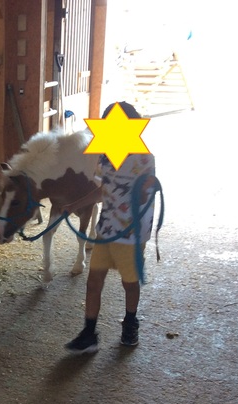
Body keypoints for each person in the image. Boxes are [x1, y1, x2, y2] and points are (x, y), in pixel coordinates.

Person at [65, 101, 156, 354]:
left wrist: (141, 192)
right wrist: (74, 205)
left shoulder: (144, 158)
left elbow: (145, 194)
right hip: (106, 229)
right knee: (93, 281)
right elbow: (104, 190)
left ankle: (130, 321)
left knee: (129, 282)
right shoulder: (106, 156)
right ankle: (89, 333)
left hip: (131, 234)